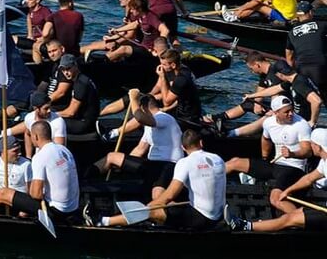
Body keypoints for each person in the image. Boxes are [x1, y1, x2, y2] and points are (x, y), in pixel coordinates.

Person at [93, 129, 226, 231]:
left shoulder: (185, 163)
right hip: (219, 214)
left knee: (152, 211)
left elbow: (169, 195)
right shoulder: (217, 159)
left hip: (202, 219)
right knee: (172, 204)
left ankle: (103, 222)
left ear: (183, 148)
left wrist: (148, 207)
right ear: (201, 143)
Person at [91, 90, 183, 200]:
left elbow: (139, 117)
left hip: (168, 165)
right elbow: (140, 149)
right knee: (113, 157)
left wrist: (133, 99)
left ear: (143, 108)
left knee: (157, 196)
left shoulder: (164, 118)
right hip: (151, 165)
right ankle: (87, 177)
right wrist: (123, 165)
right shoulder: (149, 126)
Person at [225, 95, 312, 212]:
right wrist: (264, 157)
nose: (291, 114)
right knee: (234, 163)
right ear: (276, 113)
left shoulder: (301, 125)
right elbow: (266, 139)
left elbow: (307, 151)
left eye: (291, 110)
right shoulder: (268, 123)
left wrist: (292, 154)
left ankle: (300, 218)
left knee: (276, 199)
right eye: (286, 112)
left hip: (293, 168)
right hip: (275, 164)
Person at [5, 90, 67, 157]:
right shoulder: (29, 118)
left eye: (49, 107)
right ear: (36, 109)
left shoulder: (58, 122)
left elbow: (59, 149)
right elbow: (28, 134)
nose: (49, 110)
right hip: (38, 158)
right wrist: (29, 156)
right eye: (46, 108)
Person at [287, 1, 327, 91]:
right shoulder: (322, 25)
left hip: (302, 69)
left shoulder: (291, 32)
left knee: (310, 98)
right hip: (320, 66)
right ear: (310, 12)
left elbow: (289, 57)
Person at [55, 54, 100, 135]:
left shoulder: (80, 84)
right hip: (86, 118)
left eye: (68, 69)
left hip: (84, 123)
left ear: (75, 66)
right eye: (63, 70)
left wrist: (51, 115)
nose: (66, 73)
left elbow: (71, 112)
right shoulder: (82, 79)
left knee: (48, 122)